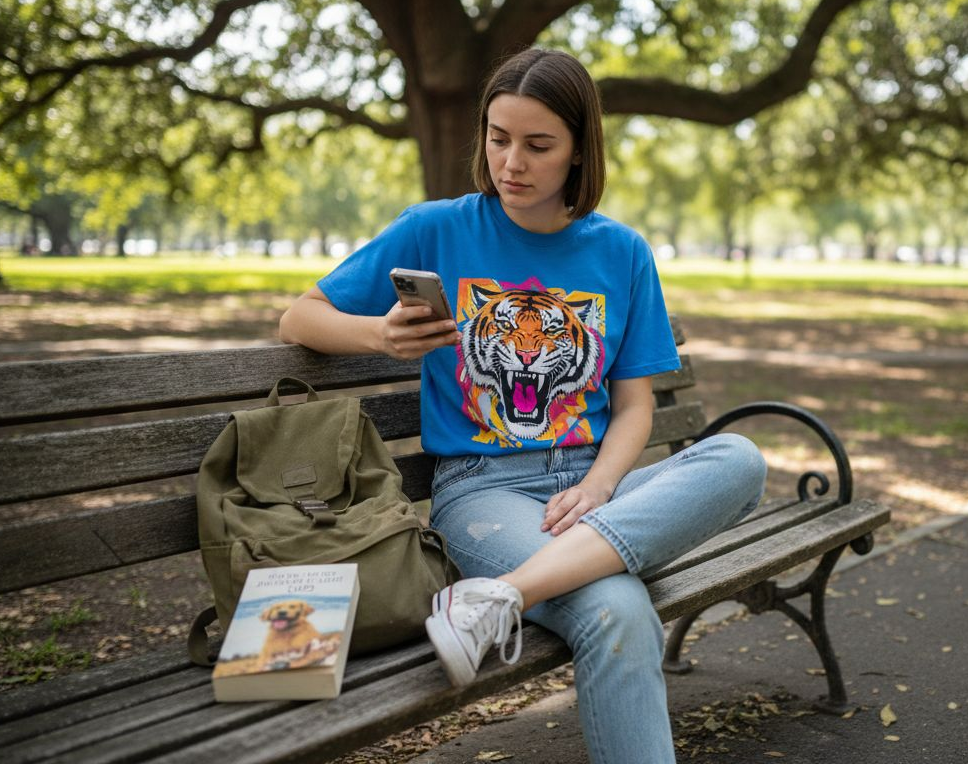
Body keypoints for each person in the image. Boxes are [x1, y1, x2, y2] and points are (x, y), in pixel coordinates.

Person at [279, 48, 766, 763]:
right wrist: (379, 335)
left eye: (538, 145)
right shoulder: (437, 228)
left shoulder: (622, 252)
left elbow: (633, 409)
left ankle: (496, 597)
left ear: (578, 152)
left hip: (598, 488)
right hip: (485, 490)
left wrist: (599, 487)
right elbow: (298, 317)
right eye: (498, 137)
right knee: (618, 607)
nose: (512, 162)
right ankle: (506, 589)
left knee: (742, 458)